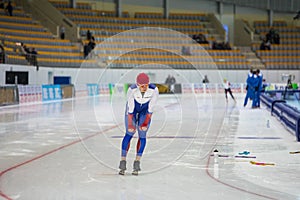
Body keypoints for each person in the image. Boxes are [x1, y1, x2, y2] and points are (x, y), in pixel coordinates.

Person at [119, 73, 159, 175]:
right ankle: (123, 161)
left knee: (142, 134)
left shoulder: (154, 90)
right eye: (141, 86)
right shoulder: (131, 90)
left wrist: (145, 122)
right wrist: (131, 125)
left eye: (146, 85)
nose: (144, 88)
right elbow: (130, 110)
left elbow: (150, 109)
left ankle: (137, 161)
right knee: (129, 133)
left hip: (145, 111)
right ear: (137, 85)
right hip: (132, 110)